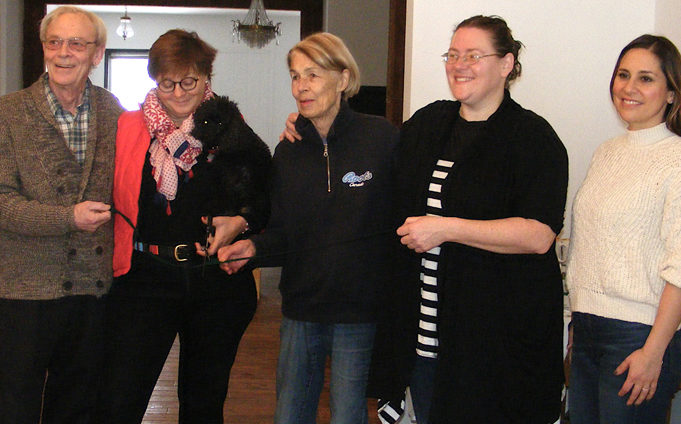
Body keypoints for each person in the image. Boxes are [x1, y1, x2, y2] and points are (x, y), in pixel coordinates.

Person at [369, 15, 568, 424]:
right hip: (425, 334)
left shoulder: (533, 138)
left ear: (507, 64)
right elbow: (371, 162)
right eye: (453, 54)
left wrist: (446, 228)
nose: (459, 64)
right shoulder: (428, 124)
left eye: (474, 55)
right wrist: (311, 127)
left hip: (494, 343)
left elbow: (538, 235)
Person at [219, 32, 398, 424]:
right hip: (300, 308)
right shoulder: (288, 150)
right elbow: (283, 233)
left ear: (344, 79)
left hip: (359, 312)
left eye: (313, 75)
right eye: (296, 76)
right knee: (290, 415)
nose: (301, 87)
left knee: (348, 414)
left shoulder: (382, 139)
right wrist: (252, 250)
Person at [100, 29, 272, 424]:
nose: (177, 93)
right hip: (144, 280)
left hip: (215, 284)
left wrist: (242, 222)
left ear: (207, 78)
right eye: (167, 82)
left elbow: (264, 196)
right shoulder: (128, 127)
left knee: (203, 404)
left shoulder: (229, 125)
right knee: (119, 400)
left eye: (189, 82)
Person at [0, 6, 124, 423]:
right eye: (54, 42)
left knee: (78, 408)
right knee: (12, 406)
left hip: (91, 295)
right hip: (24, 293)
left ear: (96, 54)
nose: (63, 53)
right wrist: (67, 218)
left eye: (76, 43)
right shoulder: (8, 113)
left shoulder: (114, 112)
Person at [566, 34, 681, 424]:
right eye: (623, 75)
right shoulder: (607, 152)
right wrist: (575, 323)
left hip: (639, 335)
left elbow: (680, 268)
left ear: (671, 93)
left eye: (646, 78)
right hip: (586, 329)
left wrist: (654, 352)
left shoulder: (676, 159)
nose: (629, 88)